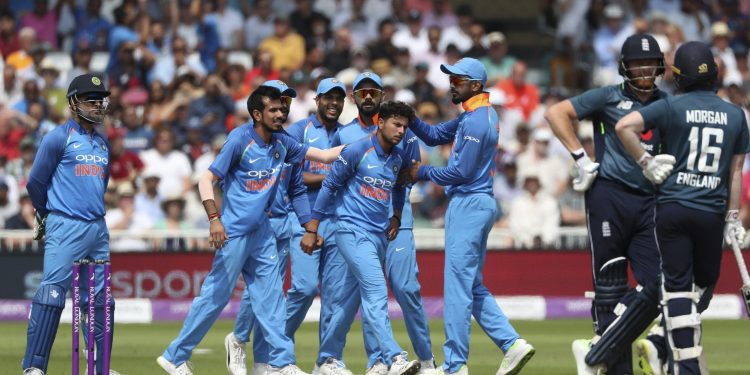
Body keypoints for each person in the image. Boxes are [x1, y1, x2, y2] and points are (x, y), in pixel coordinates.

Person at [157, 85, 344, 375]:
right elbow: (205, 180)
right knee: (215, 297)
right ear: (257, 114)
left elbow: (325, 156)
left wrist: (369, 141)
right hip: (233, 232)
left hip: (262, 232)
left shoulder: (283, 142)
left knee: (271, 301)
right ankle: (175, 355)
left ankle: (282, 363)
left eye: (283, 109)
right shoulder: (239, 139)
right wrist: (214, 219)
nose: (281, 113)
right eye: (274, 109)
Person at [615, 41, 750, 375]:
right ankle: (666, 345)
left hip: (673, 208)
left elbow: (623, 127)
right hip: (711, 211)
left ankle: (680, 359)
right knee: (702, 284)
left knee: (677, 286)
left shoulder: (672, 107)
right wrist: (733, 216)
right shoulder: (736, 114)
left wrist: (646, 161)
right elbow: (735, 171)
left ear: (680, 76)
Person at [544, 33, 669, 374]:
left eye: (649, 61)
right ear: (624, 66)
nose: (644, 68)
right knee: (609, 286)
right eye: (637, 62)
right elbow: (556, 113)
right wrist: (580, 158)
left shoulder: (668, 104)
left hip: (650, 201)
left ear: (659, 65)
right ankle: (612, 363)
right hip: (609, 196)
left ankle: (595, 348)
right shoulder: (607, 97)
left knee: (659, 285)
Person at [404, 58, 535, 375]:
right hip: (476, 203)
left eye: (457, 79)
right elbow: (434, 135)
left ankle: (454, 366)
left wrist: (420, 171)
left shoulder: (477, 121)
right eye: (450, 79)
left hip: (469, 204)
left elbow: (459, 172)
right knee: (472, 286)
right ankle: (511, 344)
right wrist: (410, 118)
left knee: (457, 289)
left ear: (475, 85)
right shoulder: (475, 115)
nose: (451, 84)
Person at [301, 100, 421, 375]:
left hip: (378, 234)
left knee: (350, 301)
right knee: (377, 291)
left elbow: (400, 187)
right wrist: (312, 228)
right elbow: (330, 185)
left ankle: (325, 359)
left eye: (404, 126)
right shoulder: (357, 150)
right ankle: (393, 357)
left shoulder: (397, 157)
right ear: (380, 122)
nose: (401, 131)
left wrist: (397, 216)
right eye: (396, 124)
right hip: (351, 230)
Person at [333, 71, 437, 375]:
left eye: (373, 91)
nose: (367, 96)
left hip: (397, 221)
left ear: (382, 95)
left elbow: (405, 181)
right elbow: (335, 182)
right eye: (361, 91)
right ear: (354, 97)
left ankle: (427, 360)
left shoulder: (404, 131)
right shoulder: (344, 135)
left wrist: (395, 214)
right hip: (360, 225)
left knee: (406, 289)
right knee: (371, 290)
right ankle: (378, 361)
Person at [22, 73, 115, 375]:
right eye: (91, 101)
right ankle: (34, 368)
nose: (98, 106)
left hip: (97, 228)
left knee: (101, 301)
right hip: (65, 225)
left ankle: (99, 368)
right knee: (51, 295)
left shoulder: (102, 143)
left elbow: (102, 183)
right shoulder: (58, 137)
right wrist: (44, 213)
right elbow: (36, 182)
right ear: (74, 103)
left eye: (100, 101)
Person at [225, 80, 308, 375]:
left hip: (285, 222)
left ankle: (265, 362)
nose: (283, 106)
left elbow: (297, 187)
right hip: (261, 222)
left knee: (272, 295)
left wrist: (307, 224)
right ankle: (238, 339)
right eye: (277, 100)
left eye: (286, 101)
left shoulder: (288, 141)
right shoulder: (252, 138)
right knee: (259, 292)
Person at [284, 78, 359, 375]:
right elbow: (290, 179)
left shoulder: (347, 133)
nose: (334, 103)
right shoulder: (299, 131)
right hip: (303, 219)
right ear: (317, 100)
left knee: (335, 297)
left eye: (339, 98)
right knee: (303, 288)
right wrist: (332, 176)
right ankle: (277, 350)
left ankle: (327, 361)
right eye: (328, 97)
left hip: (338, 219)